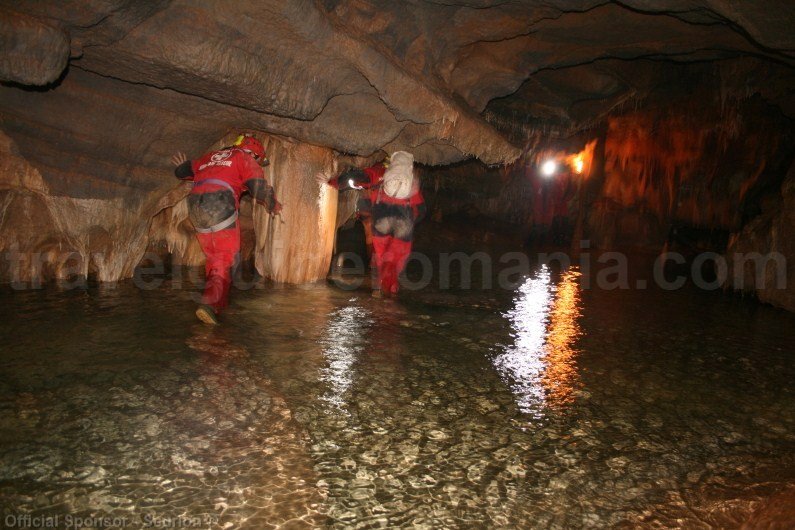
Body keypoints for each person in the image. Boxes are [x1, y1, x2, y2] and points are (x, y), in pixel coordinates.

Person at [171, 134, 282, 324]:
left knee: (215, 258)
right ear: (254, 153)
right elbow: (258, 188)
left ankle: (217, 306)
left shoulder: (211, 156)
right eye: (259, 159)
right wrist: (273, 205)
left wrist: (181, 165)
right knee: (225, 258)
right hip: (219, 202)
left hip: (196, 207)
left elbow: (182, 171)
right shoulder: (244, 158)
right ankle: (209, 304)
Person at [319, 151, 425, 298]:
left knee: (381, 257)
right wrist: (411, 222)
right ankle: (391, 293)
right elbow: (421, 209)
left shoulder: (380, 173)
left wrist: (332, 182)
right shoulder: (411, 182)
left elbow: (356, 177)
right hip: (403, 224)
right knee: (396, 261)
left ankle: (379, 291)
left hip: (381, 219)